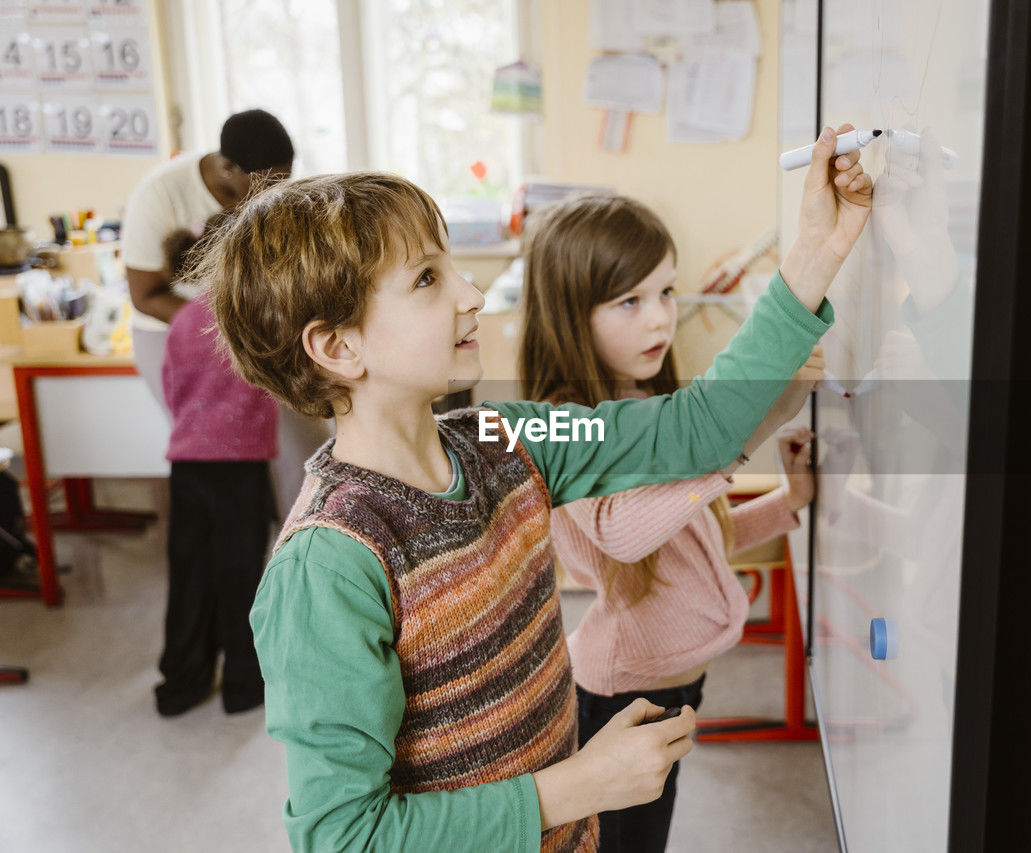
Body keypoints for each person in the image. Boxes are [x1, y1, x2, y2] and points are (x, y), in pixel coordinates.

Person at [196, 123, 871, 851]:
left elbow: (689, 431)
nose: (473, 293)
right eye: (427, 278)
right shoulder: (327, 564)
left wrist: (816, 249)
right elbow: (344, 836)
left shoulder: (511, 439)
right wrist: (583, 785)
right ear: (337, 346)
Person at [519, 193, 820, 852]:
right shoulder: (562, 424)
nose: (660, 318)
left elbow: (701, 540)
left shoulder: (646, 403)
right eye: (629, 301)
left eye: (665, 291)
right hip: (616, 698)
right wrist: (744, 435)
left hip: (673, 687)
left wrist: (786, 503)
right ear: (572, 314)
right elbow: (628, 531)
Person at [121, 108, 328, 524]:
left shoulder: (270, 190)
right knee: (224, 457)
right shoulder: (161, 193)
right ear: (226, 167)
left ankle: (304, 539)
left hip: (259, 332)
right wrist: (233, 324)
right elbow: (145, 295)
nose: (275, 192)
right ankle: (241, 563)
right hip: (177, 337)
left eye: (282, 181)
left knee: (303, 442)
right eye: (266, 184)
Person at [153, 219, 278, 716]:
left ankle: (181, 683)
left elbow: (171, 390)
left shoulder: (183, 320)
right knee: (242, 576)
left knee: (189, 575)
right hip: (239, 468)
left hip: (187, 465)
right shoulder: (249, 318)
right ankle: (243, 686)